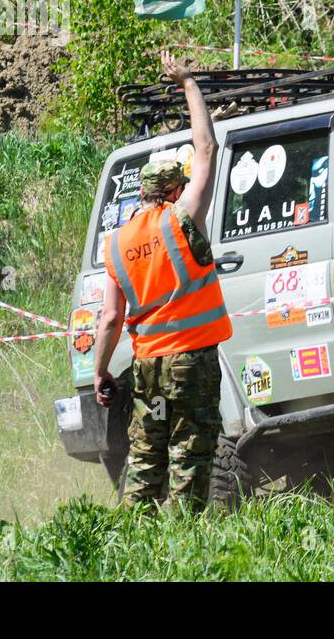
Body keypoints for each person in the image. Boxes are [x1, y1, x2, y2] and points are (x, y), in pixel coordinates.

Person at [93, 50, 233, 512]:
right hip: (189, 364)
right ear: (175, 191)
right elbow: (207, 149)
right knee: (190, 447)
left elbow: (111, 318)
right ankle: (184, 538)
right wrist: (188, 83)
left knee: (148, 449)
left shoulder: (116, 244)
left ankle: (134, 529)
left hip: (147, 369)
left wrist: (100, 372)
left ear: (141, 193)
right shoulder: (182, 219)